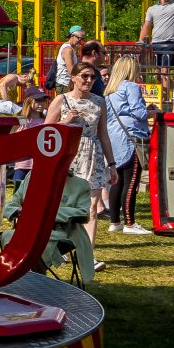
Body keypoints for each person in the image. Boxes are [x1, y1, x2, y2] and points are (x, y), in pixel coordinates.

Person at [47, 60, 115, 251]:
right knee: (66, 204)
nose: (89, 80)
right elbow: (45, 130)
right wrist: (65, 120)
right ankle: (61, 248)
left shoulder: (99, 101)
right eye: (84, 76)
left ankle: (88, 254)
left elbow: (103, 135)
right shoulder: (62, 100)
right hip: (68, 155)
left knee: (92, 207)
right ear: (73, 78)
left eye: (92, 77)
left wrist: (112, 164)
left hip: (92, 155)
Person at [103, 55, 151, 234]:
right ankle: (130, 223)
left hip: (114, 136)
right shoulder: (131, 86)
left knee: (117, 180)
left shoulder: (110, 90)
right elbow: (139, 112)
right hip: (131, 137)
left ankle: (115, 221)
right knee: (131, 181)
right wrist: (151, 111)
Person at [54, 26, 86, 90]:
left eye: (83, 39)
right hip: (65, 84)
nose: (81, 41)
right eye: (79, 38)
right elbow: (71, 70)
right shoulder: (68, 49)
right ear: (72, 36)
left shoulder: (72, 49)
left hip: (67, 83)